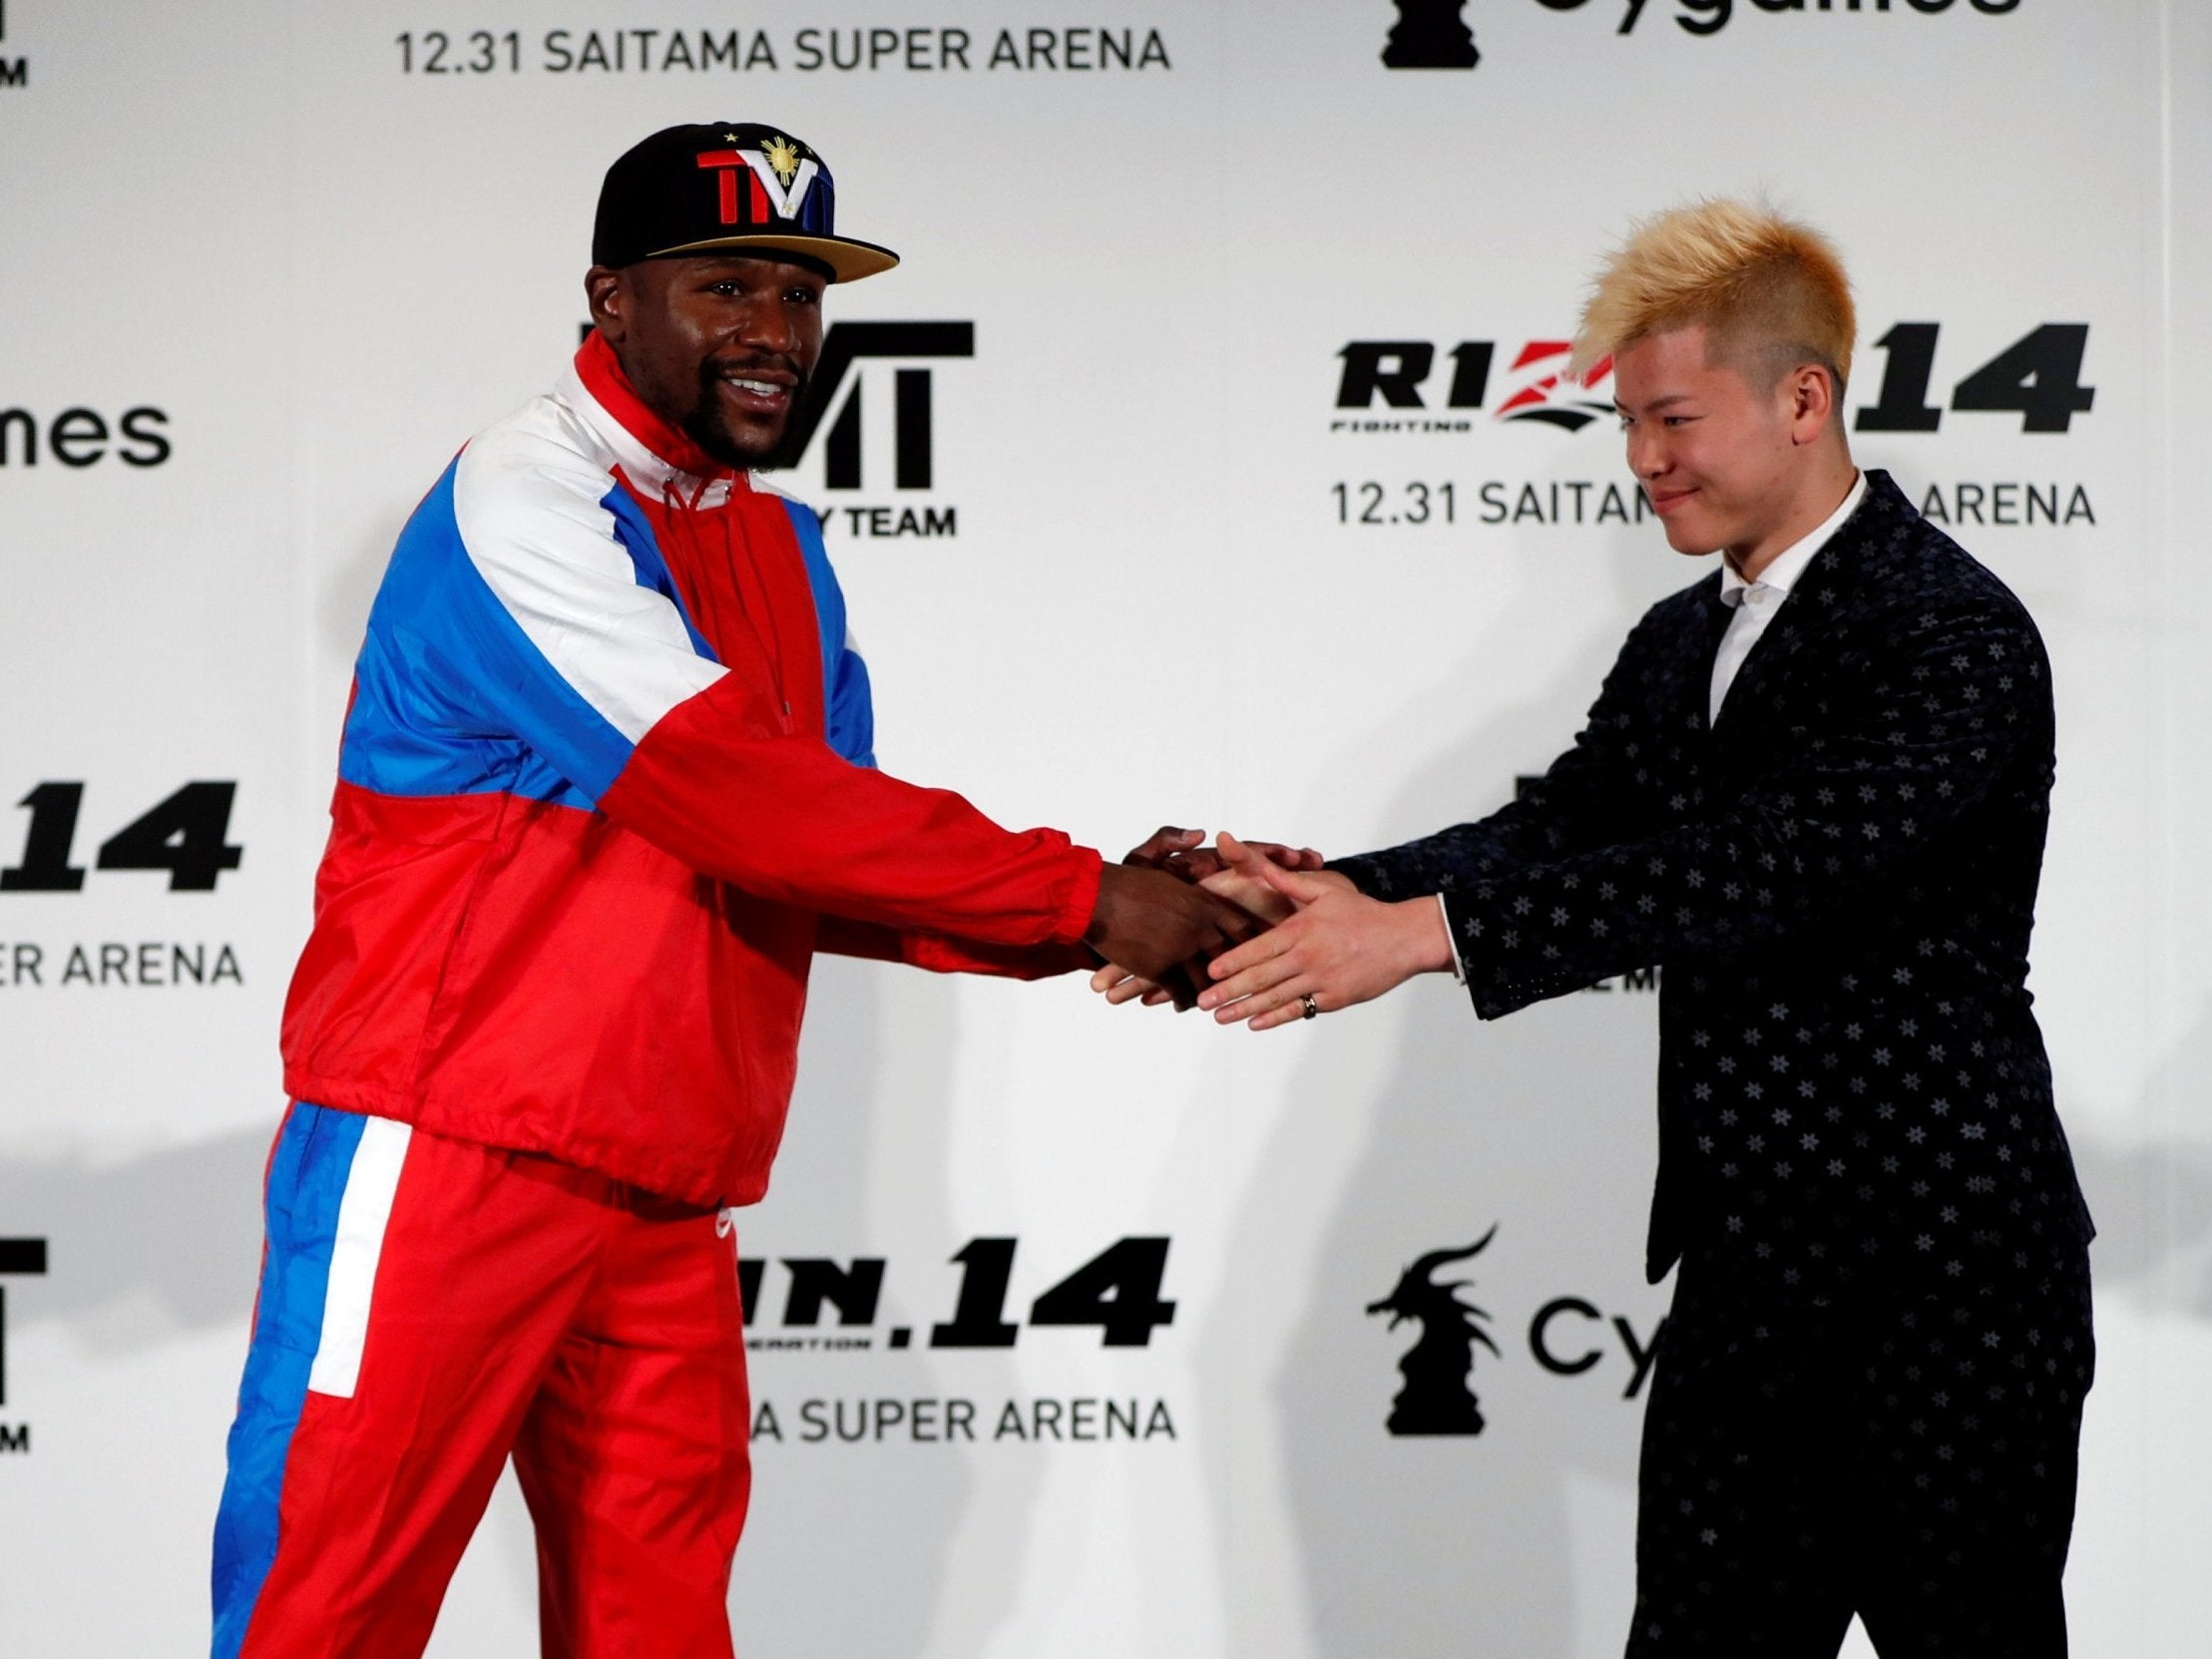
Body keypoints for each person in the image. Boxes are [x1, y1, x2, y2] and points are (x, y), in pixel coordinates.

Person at [209, 122, 1260, 1659]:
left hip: (665, 1187)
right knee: (327, 1620)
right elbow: (737, 792)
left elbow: (826, 860)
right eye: (725, 286)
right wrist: (1087, 898)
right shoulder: (519, 501)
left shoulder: (779, 542)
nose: (775, 333)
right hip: (442, 1156)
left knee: (659, 1632)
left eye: (800, 292)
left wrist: (1097, 917)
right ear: (609, 297)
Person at [1110, 201, 2097, 1657]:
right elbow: (1561, 830)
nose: (1641, 461)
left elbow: (1765, 869)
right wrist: (1327, 890)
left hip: (1944, 1280)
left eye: (1672, 419)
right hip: (1747, 1283)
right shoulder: (1679, 637)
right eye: (1626, 425)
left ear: (1802, 397)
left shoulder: (1948, 629)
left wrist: (1425, 936)